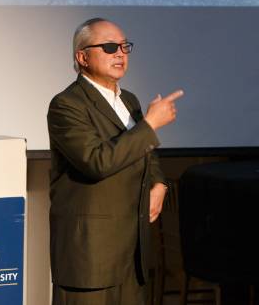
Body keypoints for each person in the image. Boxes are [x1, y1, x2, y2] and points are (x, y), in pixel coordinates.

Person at [47, 18, 183, 305]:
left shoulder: (129, 100)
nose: (120, 53)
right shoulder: (66, 105)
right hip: (91, 256)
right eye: (109, 47)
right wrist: (150, 124)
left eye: (124, 46)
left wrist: (159, 183)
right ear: (82, 57)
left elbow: (141, 152)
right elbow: (96, 161)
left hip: (131, 254)